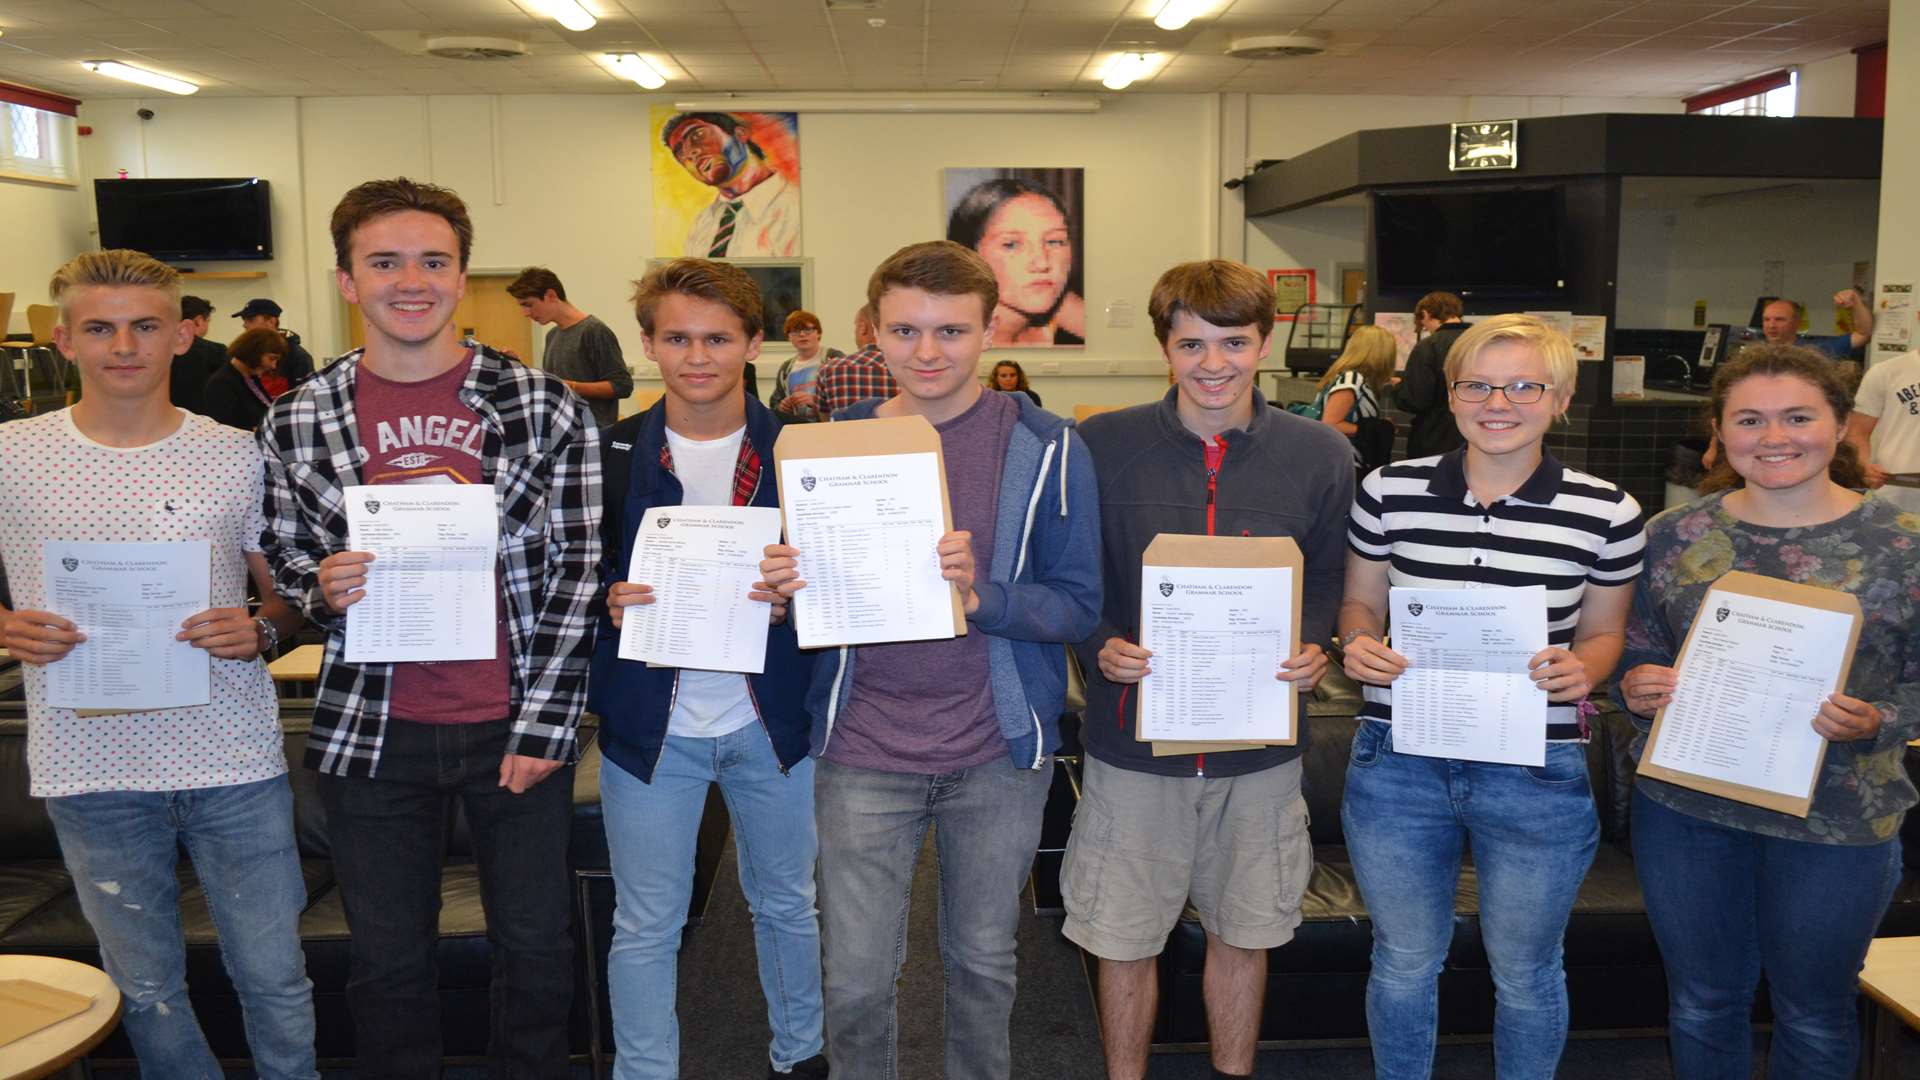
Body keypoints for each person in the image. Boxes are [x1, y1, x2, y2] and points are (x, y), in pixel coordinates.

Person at [258, 177, 600, 1078]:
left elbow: (575, 575)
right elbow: (288, 562)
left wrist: (545, 727)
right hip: (371, 733)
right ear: (345, 281)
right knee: (388, 962)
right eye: (384, 261)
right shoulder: (297, 417)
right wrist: (321, 584)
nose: (410, 280)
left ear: (459, 276)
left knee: (535, 952)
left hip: (511, 727)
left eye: (433, 261)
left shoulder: (544, 406)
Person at [758, 240, 1102, 1080]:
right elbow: (798, 597)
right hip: (862, 749)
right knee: (859, 981)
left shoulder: (1046, 447)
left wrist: (981, 595)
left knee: (984, 967)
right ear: (873, 331)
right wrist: (778, 586)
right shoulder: (823, 445)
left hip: (994, 752)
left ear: (989, 330)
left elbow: (1078, 602)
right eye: (906, 330)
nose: (928, 352)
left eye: (952, 331)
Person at [0, 250, 314, 1077]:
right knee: (146, 988)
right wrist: (5, 625)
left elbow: (288, 597)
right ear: (64, 341)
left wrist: (261, 630)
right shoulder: (10, 454)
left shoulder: (238, 453)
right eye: (99, 327)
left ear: (182, 335)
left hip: (232, 762)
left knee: (275, 976)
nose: (124, 346)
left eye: (144, 326)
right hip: (88, 770)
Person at [1339, 313, 1646, 1079]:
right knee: (1404, 961)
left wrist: (1589, 670)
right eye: (1476, 384)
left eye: (1523, 385)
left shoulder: (1608, 511)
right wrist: (1358, 643)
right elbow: (1358, 604)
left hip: (1538, 765)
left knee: (1528, 972)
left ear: (1561, 397)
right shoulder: (1388, 490)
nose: (1498, 402)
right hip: (1400, 757)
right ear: (1451, 393)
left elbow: (1605, 632)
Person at [1066, 259, 1351, 1080]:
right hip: (1134, 749)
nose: (1214, 362)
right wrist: (1100, 646)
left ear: (1265, 341)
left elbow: (1331, 571)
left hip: (1260, 752)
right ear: (1166, 345)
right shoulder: (1102, 445)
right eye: (1192, 343)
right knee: (1123, 941)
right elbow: (1078, 575)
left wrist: (1314, 641)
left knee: (1245, 933)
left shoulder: (1320, 453)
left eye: (1234, 340)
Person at [1616, 344, 1920, 1080]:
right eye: (1750, 419)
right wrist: (1635, 683)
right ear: (1720, 431)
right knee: (1701, 1003)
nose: (1774, 436)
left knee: (1814, 1014)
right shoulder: (1671, 535)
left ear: (1842, 424)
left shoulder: (1902, 546)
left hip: (1840, 816)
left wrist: (1877, 718)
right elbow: (1633, 649)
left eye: (1797, 417)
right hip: (1688, 809)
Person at [588, 258, 826, 1080]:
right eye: (678, 337)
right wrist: (605, 605)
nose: (698, 356)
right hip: (651, 732)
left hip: (770, 723)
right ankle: (645, 1072)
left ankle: (801, 1060)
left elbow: (844, 588)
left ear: (753, 342)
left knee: (788, 907)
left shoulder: (803, 456)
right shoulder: (610, 454)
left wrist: (802, 600)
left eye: (718, 338)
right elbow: (568, 586)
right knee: (645, 922)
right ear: (648, 344)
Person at [947, 178, 1087, 347]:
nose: (1042, 263)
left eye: (1054, 241)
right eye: (1011, 245)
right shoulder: (956, 344)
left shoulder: (1059, 306)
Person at [507, 265, 635, 427]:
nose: (525, 313)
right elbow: (552, 385)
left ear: (551, 295)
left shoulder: (594, 331)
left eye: (528, 304)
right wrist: (519, 368)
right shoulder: (552, 335)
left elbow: (622, 386)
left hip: (593, 434)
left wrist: (571, 386)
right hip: (562, 432)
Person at [663, 111, 800, 258]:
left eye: (698, 135)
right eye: (679, 152)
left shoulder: (795, 208)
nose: (690, 152)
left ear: (740, 134)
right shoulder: (703, 223)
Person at [1310, 323, 1397, 471]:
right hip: (1344, 463)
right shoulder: (1353, 379)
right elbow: (1331, 423)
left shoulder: (1351, 378)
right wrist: (1378, 428)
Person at [1395, 291, 1469, 459]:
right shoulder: (1480, 341)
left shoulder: (1428, 346)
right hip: (1475, 438)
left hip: (1435, 440)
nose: (1424, 327)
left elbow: (1415, 401)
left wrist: (1398, 387)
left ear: (1426, 314)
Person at [1848, 345, 1920, 513]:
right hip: (1894, 495)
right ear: (1918, 317)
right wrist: (1864, 465)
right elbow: (1857, 432)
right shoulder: (1886, 372)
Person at [806, 304, 898, 419]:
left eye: (856, 326)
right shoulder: (904, 369)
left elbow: (824, 421)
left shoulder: (830, 369)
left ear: (862, 328)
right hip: (895, 436)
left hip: (843, 436)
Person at [202, 326, 285, 432]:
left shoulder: (251, 378)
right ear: (254, 352)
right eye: (272, 358)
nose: (274, 366)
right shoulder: (221, 383)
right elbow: (223, 428)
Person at [769, 308, 840, 419]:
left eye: (807, 330)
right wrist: (782, 408)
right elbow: (775, 403)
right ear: (789, 337)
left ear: (819, 333)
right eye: (796, 331)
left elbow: (845, 398)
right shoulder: (786, 369)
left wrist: (816, 402)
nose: (802, 335)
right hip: (797, 427)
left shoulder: (833, 357)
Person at [1758, 290, 1873, 359]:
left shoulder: (1815, 351)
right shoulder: (1755, 355)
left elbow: (1863, 334)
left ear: (1797, 323)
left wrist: (1856, 303)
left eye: (1779, 319)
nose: (1771, 325)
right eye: (1766, 319)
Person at [234, 297, 316, 387]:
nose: (245, 325)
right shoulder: (242, 353)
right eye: (244, 320)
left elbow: (305, 394)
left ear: (272, 321)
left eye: (251, 320)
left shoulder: (297, 356)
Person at [170, 293, 227, 415]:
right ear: (199, 321)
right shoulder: (216, 351)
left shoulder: (160, 348)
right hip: (204, 419)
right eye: (208, 321)